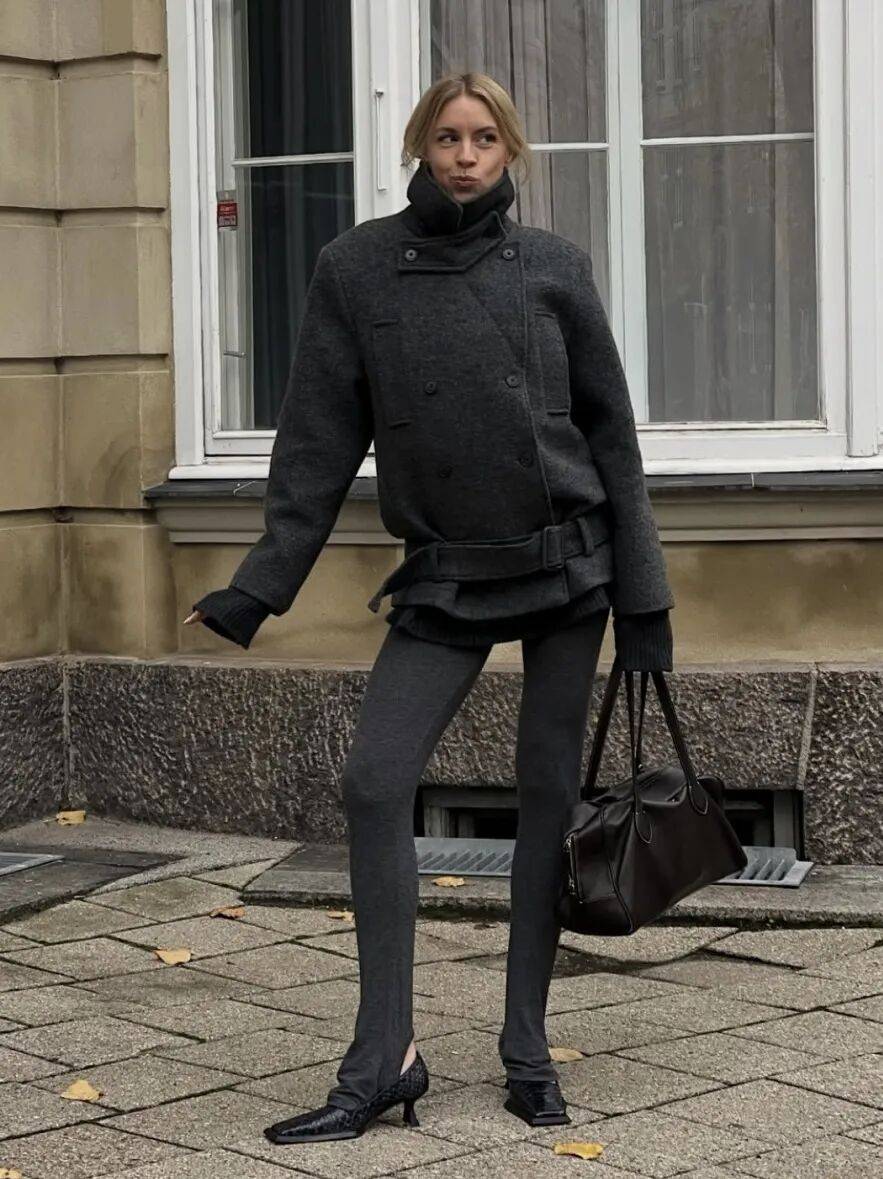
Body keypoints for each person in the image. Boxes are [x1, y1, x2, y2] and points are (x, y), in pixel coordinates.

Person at [184, 72, 674, 1145]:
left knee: (546, 799)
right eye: (447, 137)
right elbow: (316, 439)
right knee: (374, 780)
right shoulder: (355, 268)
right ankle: (384, 1059)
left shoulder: (554, 266)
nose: (463, 156)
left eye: (483, 138)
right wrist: (259, 585)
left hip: (568, 572)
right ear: (419, 144)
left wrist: (644, 602)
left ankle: (527, 1050)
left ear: (509, 151)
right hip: (444, 575)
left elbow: (612, 437)